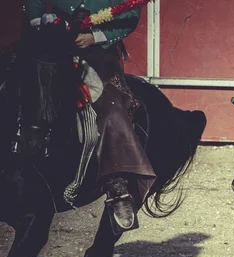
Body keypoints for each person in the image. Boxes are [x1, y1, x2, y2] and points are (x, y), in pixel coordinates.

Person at [25, 0, 156, 233]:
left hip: (98, 54)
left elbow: (131, 11)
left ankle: (118, 187)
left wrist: (96, 36)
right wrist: (38, 22)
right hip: (52, 43)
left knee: (112, 110)